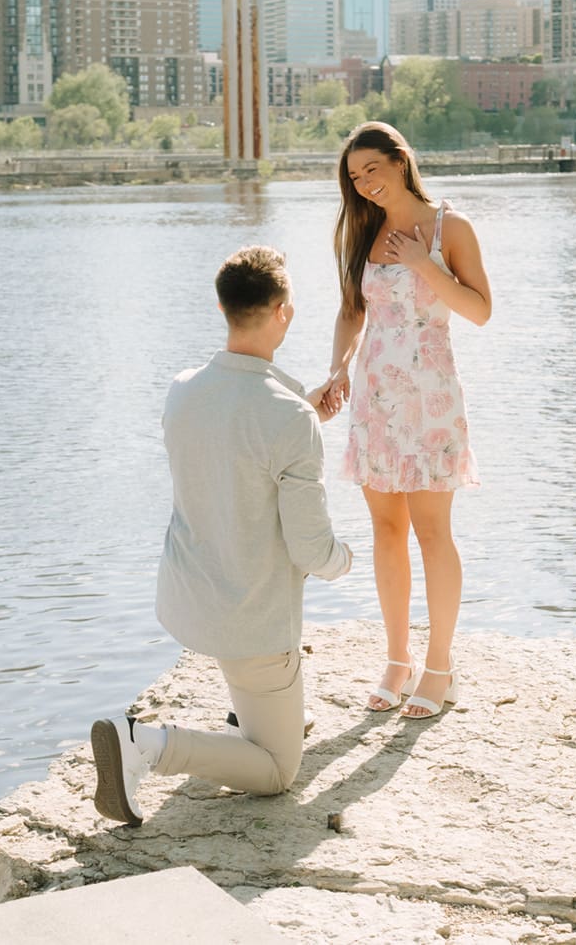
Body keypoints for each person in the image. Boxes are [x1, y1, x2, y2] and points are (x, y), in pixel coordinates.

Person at [90, 245, 354, 827]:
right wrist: (348, 561)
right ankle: (146, 744)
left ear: (222, 306)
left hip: (189, 599)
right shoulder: (289, 419)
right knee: (279, 770)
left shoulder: (183, 389)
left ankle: (247, 718)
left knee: (267, 707)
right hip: (249, 621)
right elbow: (312, 550)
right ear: (284, 311)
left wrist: (301, 411)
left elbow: (231, 443)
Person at [323, 122, 491, 721]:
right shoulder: (362, 230)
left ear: (400, 161)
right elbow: (351, 312)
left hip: (430, 399)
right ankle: (397, 659)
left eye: (372, 170)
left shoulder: (452, 227)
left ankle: (440, 666)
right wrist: (338, 370)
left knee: (431, 531)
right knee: (386, 530)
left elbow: (479, 312)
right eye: (354, 178)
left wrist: (424, 263)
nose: (364, 185)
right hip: (374, 401)